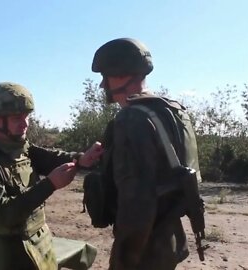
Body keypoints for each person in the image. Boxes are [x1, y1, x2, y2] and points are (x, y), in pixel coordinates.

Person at [0, 82, 103, 270]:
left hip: (37, 249)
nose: (25, 123)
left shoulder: (17, 146)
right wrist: (50, 184)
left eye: (27, 116)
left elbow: (45, 157)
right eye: (17, 117)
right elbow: (3, 215)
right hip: (1, 258)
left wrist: (80, 159)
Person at [90, 38, 203, 270]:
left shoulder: (131, 119)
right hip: (169, 234)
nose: (103, 85)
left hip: (145, 245)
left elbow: (137, 200)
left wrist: (124, 257)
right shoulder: (172, 110)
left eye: (105, 76)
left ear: (121, 74)